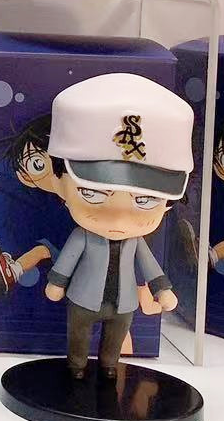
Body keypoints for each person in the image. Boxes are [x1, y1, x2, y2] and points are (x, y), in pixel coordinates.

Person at [42, 74, 193, 378]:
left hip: (124, 303)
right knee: (79, 335)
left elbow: (150, 266)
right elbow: (67, 260)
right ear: (58, 182)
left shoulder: (135, 242)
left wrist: (162, 289)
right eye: (93, 193)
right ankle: (76, 367)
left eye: (145, 200)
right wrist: (56, 283)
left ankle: (110, 367)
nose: (119, 218)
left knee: (116, 338)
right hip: (84, 297)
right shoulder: (83, 236)